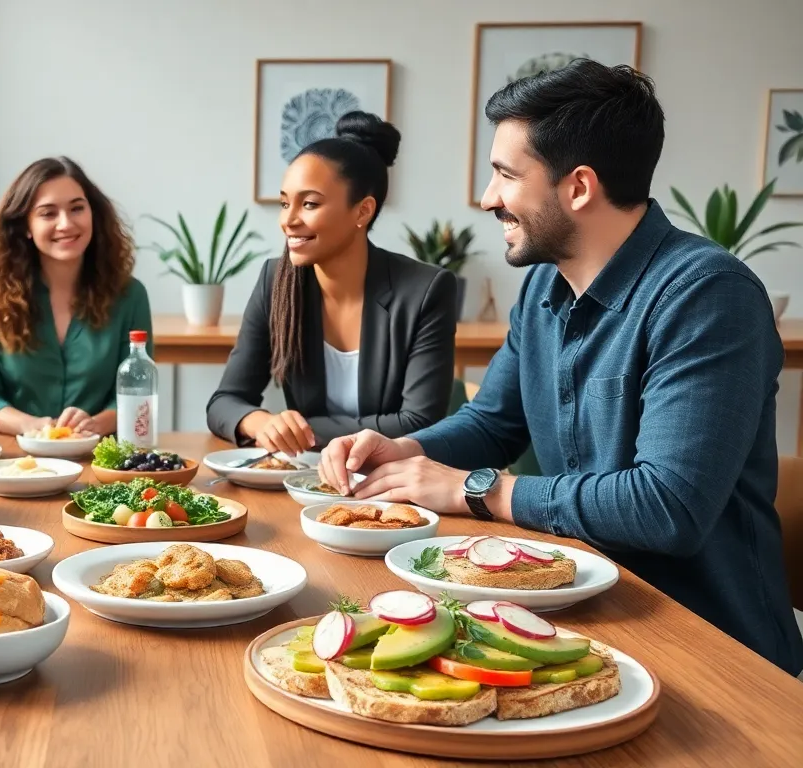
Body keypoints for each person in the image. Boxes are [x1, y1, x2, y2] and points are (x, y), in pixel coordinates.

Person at [317, 60, 803, 675]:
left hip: (714, 648)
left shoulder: (709, 295)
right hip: (584, 615)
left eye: (504, 174)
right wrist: (403, 448)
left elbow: (666, 507)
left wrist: (478, 489)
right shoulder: (546, 286)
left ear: (577, 187)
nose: (489, 198)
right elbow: (493, 424)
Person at [207, 111, 456, 454]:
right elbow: (225, 402)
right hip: (303, 480)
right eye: (284, 203)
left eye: (309, 204)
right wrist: (263, 422)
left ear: (362, 212)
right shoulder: (276, 281)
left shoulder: (425, 291)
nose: (288, 220)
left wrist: (301, 430)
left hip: (391, 479)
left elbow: (418, 422)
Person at [0, 156, 152, 436]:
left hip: (102, 459)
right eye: (48, 213)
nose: (65, 224)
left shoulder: (130, 295)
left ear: (93, 215)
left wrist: (95, 424)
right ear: (25, 225)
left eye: (77, 208)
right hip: (18, 462)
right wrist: (32, 425)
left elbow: (137, 390)